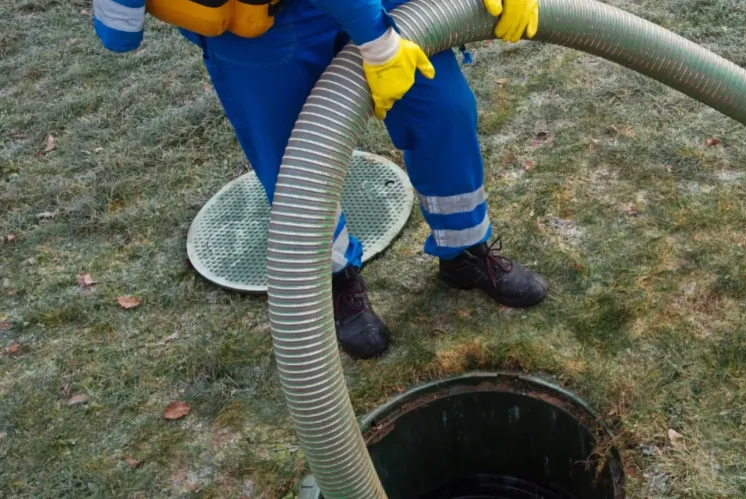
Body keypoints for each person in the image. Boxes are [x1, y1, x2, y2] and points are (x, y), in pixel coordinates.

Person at [91, 0, 548, 359]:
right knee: (295, 163)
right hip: (262, 24)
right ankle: (339, 278)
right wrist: (377, 41)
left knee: (443, 110)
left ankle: (465, 251)